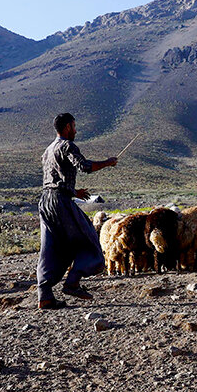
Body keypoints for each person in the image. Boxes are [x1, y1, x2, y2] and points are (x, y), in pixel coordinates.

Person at [36, 113, 118, 309]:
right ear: (66, 128)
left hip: (45, 202)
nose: (75, 130)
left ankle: (45, 296)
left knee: (50, 248)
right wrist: (108, 162)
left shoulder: (48, 150)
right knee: (88, 238)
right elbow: (85, 166)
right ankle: (72, 282)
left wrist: (74, 191)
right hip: (60, 202)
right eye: (74, 126)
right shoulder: (67, 146)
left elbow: (53, 180)